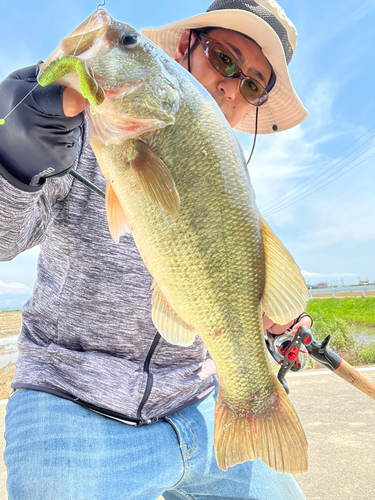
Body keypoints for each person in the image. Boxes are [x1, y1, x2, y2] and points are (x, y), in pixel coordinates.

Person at [0, 1, 312, 499]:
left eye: (251, 84)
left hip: (200, 401)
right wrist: (14, 159)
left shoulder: (231, 185)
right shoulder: (73, 134)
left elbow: (223, 296)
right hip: (71, 400)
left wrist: (269, 321)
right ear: (186, 47)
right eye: (224, 58)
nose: (231, 87)